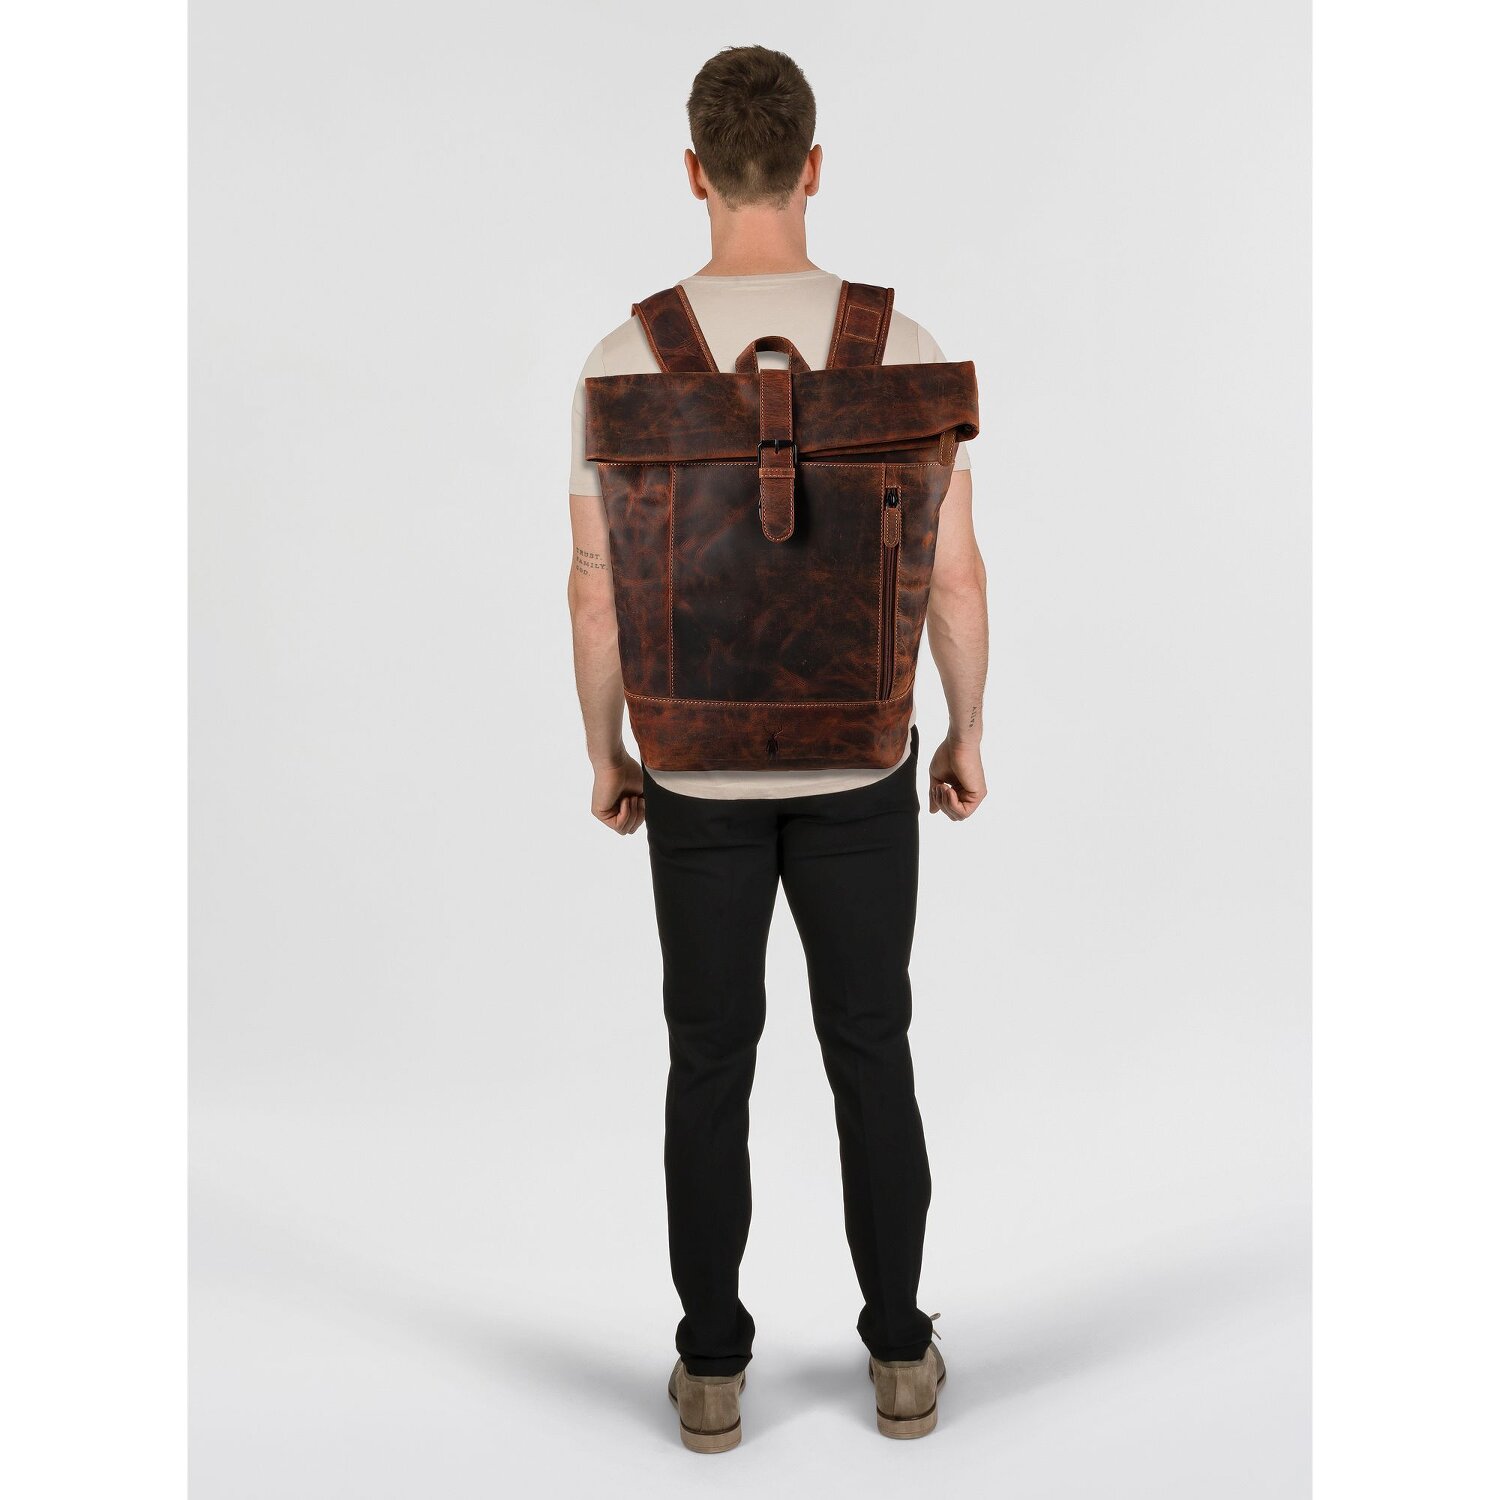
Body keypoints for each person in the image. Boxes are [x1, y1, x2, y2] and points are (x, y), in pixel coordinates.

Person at [566, 44, 989, 1451]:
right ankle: (901, 1355)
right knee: (872, 1047)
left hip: (693, 766)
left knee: (708, 1062)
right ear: (812, 166)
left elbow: (594, 590)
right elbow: (954, 575)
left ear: (695, 172)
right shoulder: (903, 345)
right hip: (862, 759)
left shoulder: (624, 358)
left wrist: (608, 751)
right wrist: (965, 729)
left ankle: (710, 1371)